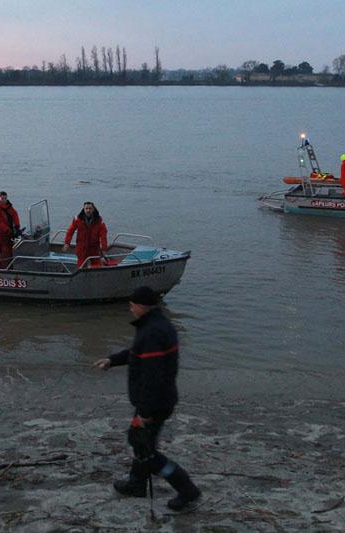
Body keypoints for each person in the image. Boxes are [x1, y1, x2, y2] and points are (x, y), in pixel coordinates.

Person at [92, 286, 202, 511]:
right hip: (156, 400)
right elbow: (137, 354)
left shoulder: (152, 331)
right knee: (140, 442)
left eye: (132, 305)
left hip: (154, 403)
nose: (130, 309)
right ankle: (136, 483)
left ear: (141, 306)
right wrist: (112, 360)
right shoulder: (157, 325)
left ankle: (186, 489)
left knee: (147, 453)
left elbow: (154, 375)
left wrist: (145, 412)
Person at [63, 202, 108, 268]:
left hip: (94, 247)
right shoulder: (77, 219)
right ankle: (82, 277)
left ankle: (96, 277)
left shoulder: (99, 220)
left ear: (93, 209)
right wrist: (67, 243)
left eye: (90, 208)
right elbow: (70, 231)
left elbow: (103, 234)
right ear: (83, 209)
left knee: (97, 265)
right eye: (86, 208)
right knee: (81, 265)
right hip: (81, 247)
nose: (88, 210)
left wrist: (104, 248)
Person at [0, 191, 21, 269]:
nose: (4, 200)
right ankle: (5, 270)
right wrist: (9, 231)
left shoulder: (8, 206)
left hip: (9, 233)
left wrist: (17, 226)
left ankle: (12, 266)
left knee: (11, 250)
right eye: (2, 198)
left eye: (5, 198)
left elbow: (14, 214)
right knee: (4, 252)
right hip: (0, 235)